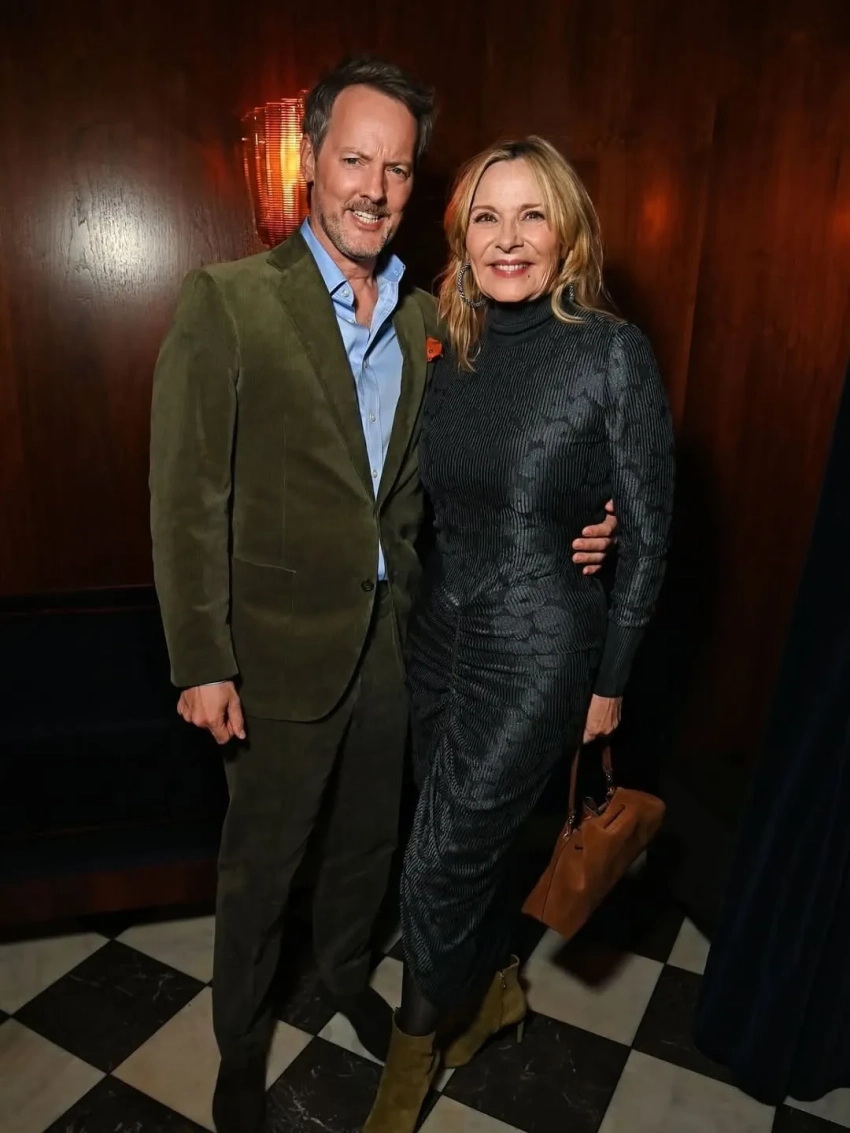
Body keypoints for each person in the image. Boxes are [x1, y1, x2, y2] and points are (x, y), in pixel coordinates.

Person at [149, 58, 617, 1133]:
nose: (374, 186)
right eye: (354, 159)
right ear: (309, 161)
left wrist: (594, 522)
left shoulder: (425, 318)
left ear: (413, 182)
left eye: (397, 168)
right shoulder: (228, 301)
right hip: (273, 658)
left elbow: (502, 452)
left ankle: (346, 973)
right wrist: (201, 659)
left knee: (367, 850)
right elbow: (185, 498)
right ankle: (238, 1046)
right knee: (262, 869)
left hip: (396, 650)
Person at [363, 135, 675, 1133]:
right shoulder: (449, 344)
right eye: (486, 217)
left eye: (531, 214)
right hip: (438, 639)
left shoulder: (610, 352)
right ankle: (496, 987)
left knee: (436, 861)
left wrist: (609, 682)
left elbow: (651, 534)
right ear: (461, 236)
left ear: (567, 231)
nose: (508, 238)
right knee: (466, 837)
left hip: (541, 647)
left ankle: (405, 1069)